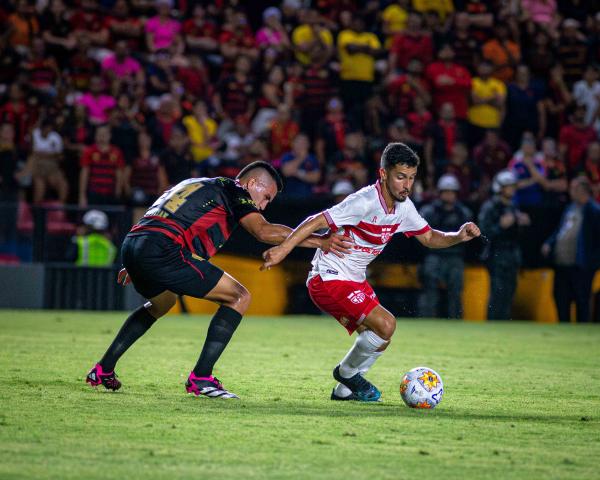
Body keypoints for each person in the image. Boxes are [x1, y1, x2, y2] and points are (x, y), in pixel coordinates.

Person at [85, 161, 351, 398]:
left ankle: (103, 369)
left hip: (135, 244)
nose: (264, 205)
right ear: (252, 183)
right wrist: (321, 241)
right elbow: (263, 231)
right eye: (266, 197)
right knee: (239, 296)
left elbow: (164, 215)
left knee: (162, 303)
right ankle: (201, 378)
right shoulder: (235, 189)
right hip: (163, 249)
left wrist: (137, 260)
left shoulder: (195, 183)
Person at [261, 143, 480, 402]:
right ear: (384, 174)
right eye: (400, 177)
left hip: (354, 280)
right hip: (328, 277)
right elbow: (317, 220)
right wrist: (283, 250)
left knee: (380, 337)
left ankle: (344, 391)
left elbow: (430, 237)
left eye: (411, 178)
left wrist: (458, 236)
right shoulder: (364, 201)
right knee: (386, 324)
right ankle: (345, 375)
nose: (406, 185)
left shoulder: (404, 208)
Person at [541, 177, 600, 323]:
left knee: (582, 298)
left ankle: (582, 327)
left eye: (574, 188)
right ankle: (563, 326)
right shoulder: (570, 208)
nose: (571, 191)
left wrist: (593, 261)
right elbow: (560, 230)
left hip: (581, 265)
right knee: (561, 296)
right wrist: (550, 243)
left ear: (583, 190)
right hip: (562, 262)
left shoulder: (594, 211)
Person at [418, 174, 473, 319]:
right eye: (446, 191)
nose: (449, 195)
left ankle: (455, 320)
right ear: (440, 193)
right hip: (434, 255)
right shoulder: (429, 211)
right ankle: (426, 320)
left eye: (452, 192)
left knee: (456, 292)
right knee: (430, 290)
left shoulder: (464, 213)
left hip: (455, 256)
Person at [478, 170, 531, 320]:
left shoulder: (513, 206)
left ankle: (504, 323)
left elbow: (518, 235)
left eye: (513, 186)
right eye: (508, 186)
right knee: (497, 291)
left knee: (510, 291)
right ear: (499, 188)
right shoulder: (490, 207)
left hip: (512, 254)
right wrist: (501, 226)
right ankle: (494, 323)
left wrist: (523, 225)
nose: (512, 189)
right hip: (497, 254)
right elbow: (483, 233)